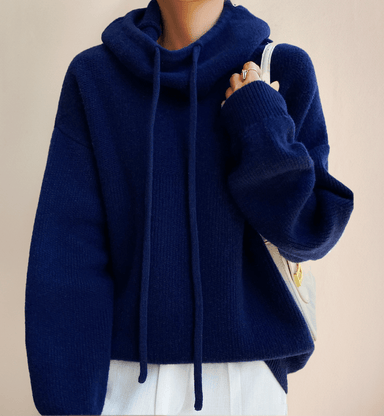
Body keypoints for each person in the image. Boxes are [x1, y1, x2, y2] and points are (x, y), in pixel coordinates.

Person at [24, 0, 354, 414]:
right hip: (121, 381)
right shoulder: (95, 77)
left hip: (246, 383)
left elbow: (309, 233)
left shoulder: (280, 70)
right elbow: (69, 256)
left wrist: (258, 120)